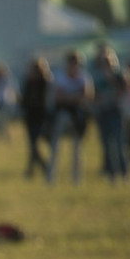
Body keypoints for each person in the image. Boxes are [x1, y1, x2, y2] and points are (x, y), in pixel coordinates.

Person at [47, 50, 93, 185]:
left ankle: (76, 179)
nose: (73, 66)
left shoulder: (84, 78)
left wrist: (70, 98)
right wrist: (75, 98)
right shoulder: (60, 78)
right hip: (63, 115)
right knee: (55, 147)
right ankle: (51, 177)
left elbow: (87, 96)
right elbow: (58, 98)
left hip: (78, 117)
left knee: (77, 149)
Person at [90, 45, 130, 184]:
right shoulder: (96, 75)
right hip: (102, 112)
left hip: (116, 111)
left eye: (108, 61)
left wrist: (111, 77)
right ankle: (111, 174)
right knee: (106, 144)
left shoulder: (119, 74)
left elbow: (126, 88)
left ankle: (125, 173)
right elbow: (92, 94)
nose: (106, 64)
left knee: (119, 143)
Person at [20, 56, 53, 179]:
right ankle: (33, 170)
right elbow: (25, 100)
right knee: (32, 146)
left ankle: (44, 167)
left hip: (40, 118)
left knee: (35, 146)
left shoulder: (45, 83)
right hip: (29, 118)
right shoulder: (28, 82)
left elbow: (45, 102)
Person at [0, 61, 19, 141]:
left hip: (4, 102)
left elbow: (11, 90)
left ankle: (5, 137)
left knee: (3, 121)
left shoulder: (6, 79)